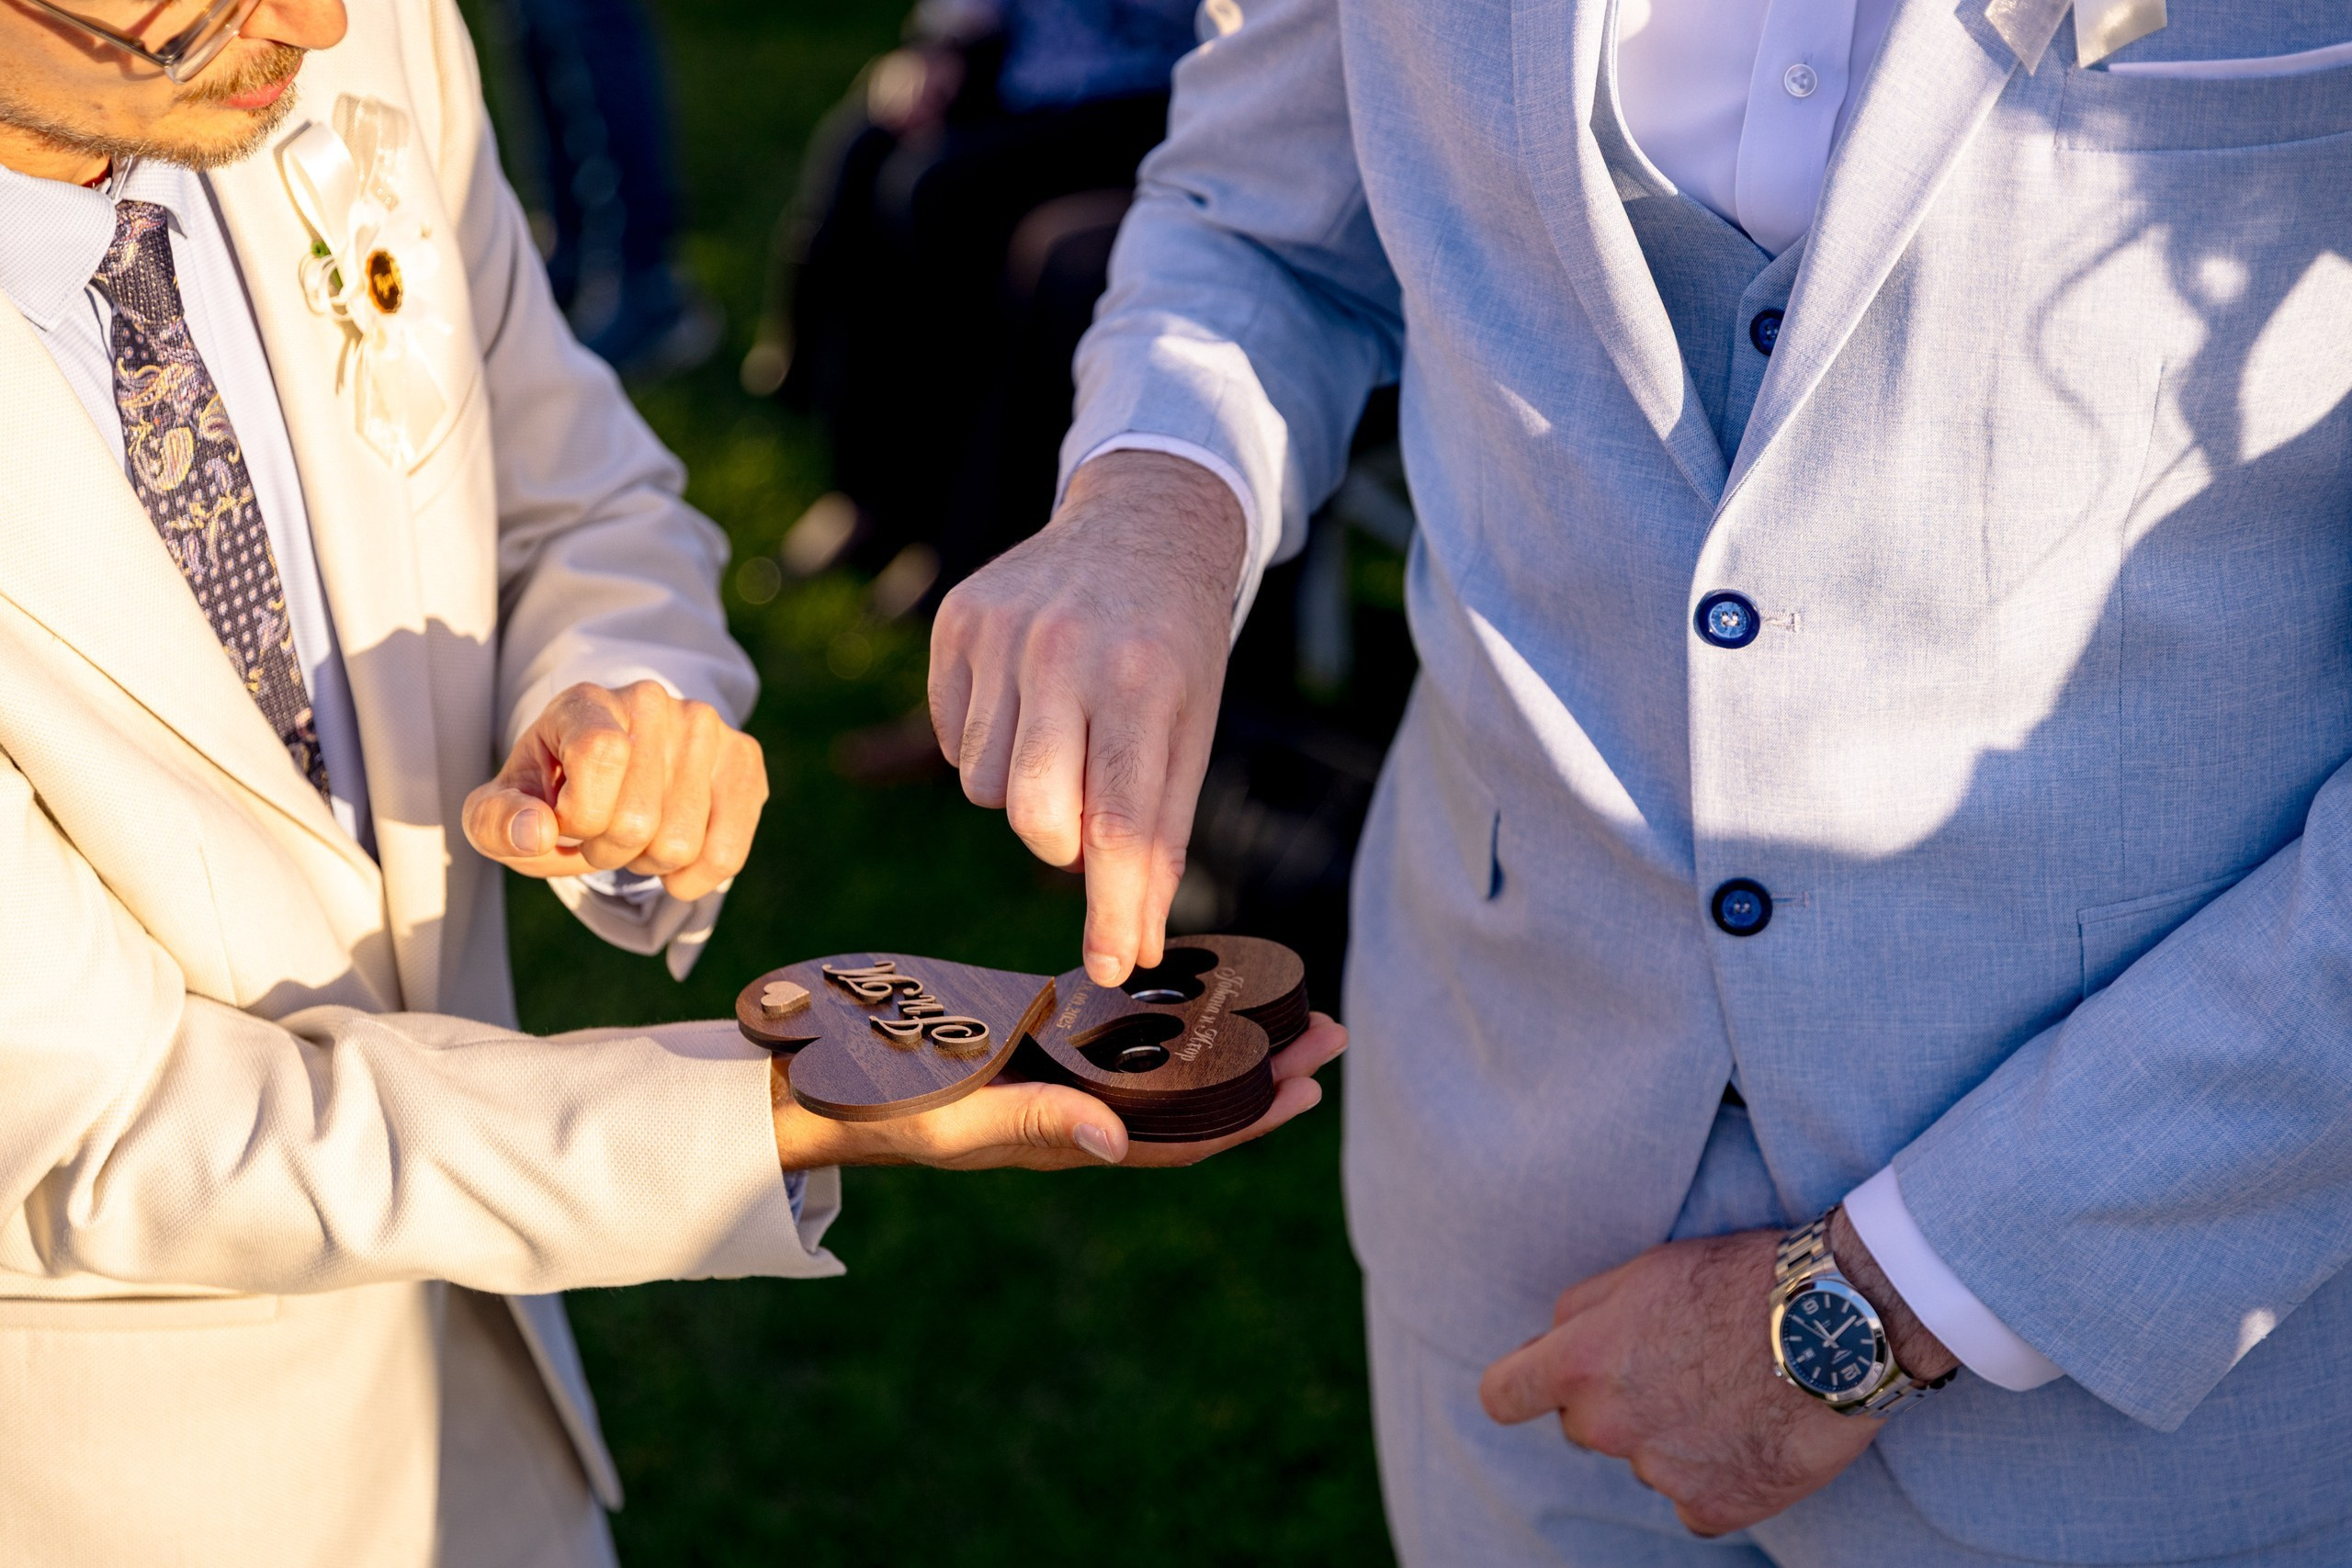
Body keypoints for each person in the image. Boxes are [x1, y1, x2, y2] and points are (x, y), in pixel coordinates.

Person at [928, 0, 2352, 1562]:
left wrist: (1896, 1295)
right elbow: (1269, 215)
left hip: (2147, 1349)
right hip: (1509, 1211)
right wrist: (1156, 497)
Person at [0, 4, 1342, 1564]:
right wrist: (776, 1109)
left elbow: (573, 484)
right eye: (207, 2)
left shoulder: (353, 50)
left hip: (507, 1436)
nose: (317, 22)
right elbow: (114, 1131)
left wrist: (630, 698)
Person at [747, 0, 1199, 593]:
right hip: (1024, 61)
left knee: (939, 196)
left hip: (1157, 91)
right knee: (866, 146)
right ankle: (865, 487)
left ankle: (958, 531)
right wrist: (940, 43)